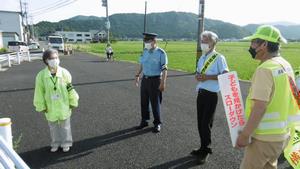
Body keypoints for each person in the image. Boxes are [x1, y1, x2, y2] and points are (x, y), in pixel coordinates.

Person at [236, 25, 300, 169]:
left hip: (263, 138)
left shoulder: (265, 69)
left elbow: (260, 107)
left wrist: (245, 135)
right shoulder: (285, 65)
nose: (250, 46)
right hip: (281, 135)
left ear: (264, 44)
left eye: (253, 42)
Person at [190, 31, 229, 164]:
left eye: (206, 41)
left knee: (206, 123)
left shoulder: (219, 57)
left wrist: (207, 77)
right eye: (202, 40)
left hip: (211, 95)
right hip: (201, 93)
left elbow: (225, 75)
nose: (203, 43)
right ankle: (202, 147)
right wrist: (199, 76)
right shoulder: (202, 58)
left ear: (213, 42)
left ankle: (206, 150)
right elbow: (200, 73)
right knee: (200, 122)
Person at [33, 49, 79, 153]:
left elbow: (70, 88)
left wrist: (73, 101)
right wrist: (41, 106)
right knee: (53, 127)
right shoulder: (41, 76)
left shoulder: (64, 73)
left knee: (65, 126)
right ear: (46, 60)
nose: (54, 60)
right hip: (50, 106)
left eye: (56, 58)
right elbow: (39, 92)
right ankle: (55, 143)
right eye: (51, 58)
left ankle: (66, 143)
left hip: (64, 104)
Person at [134, 32, 168, 133]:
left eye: (147, 41)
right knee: (143, 102)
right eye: (145, 41)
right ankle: (144, 121)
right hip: (145, 79)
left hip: (155, 80)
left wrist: (163, 82)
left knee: (155, 103)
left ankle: (157, 123)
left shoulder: (161, 53)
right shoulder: (144, 51)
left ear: (154, 41)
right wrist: (137, 75)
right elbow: (142, 64)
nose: (145, 43)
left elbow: (165, 69)